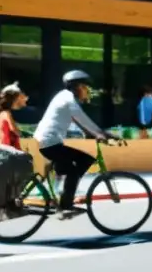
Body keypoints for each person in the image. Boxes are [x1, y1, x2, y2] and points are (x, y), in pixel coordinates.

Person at [34, 71, 110, 217]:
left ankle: (66, 189)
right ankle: (66, 205)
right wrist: (100, 133)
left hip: (49, 141)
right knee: (77, 167)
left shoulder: (63, 96)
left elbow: (76, 120)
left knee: (80, 163)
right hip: (50, 142)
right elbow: (81, 117)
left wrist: (91, 133)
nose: (87, 90)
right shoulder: (68, 99)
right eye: (85, 87)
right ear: (78, 86)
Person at [0, 83, 35, 211]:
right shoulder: (6, 113)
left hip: (5, 148)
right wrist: (26, 134)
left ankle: (11, 201)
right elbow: (14, 130)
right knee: (23, 169)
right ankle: (12, 201)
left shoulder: (1, 113)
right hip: (9, 149)